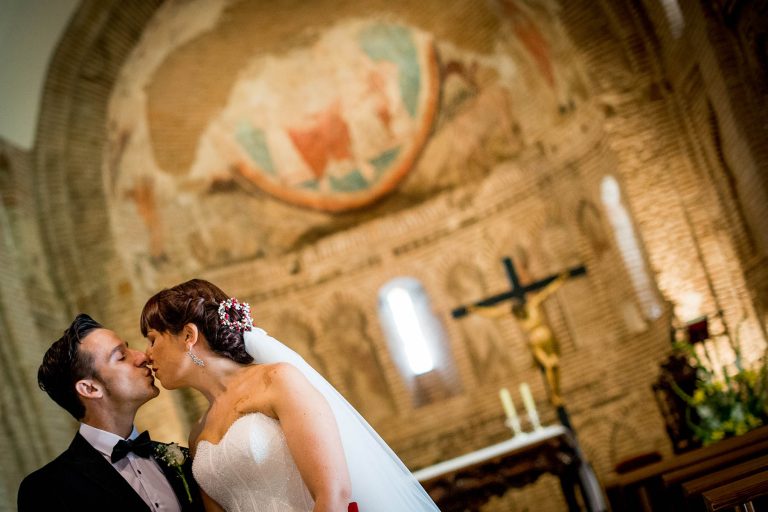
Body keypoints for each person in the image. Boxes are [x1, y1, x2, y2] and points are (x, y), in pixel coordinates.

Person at [141, 279, 440, 512]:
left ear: (189, 337)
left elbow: (333, 494)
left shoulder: (277, 380)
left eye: (153, 340)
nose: (147, 354)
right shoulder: (198, 434)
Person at [18, 314, 204, 512]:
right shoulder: (47, 489)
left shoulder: (181, 458)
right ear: (90, 389)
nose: (142, 357)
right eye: (121, 356)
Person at [467, 272, 568, 407]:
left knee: (554, 364)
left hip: (547, 338)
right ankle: (554, 394)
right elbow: (495, 313)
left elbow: (546, 292)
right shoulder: (513, 313)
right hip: (536, 343)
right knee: (549, 364)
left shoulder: (532, 305)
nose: (521, 315)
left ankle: (556, 393)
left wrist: (559, 281)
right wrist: (476, 310)